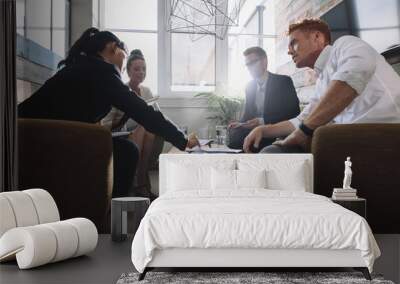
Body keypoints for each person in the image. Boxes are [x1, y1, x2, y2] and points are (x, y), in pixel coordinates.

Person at [18, 27, 199, 198]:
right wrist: (182, 140)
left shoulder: (83, 66)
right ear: (112, 49)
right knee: (127, 151)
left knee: (122, 147)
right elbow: (144, 112)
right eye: (123, 55)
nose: (122, 64)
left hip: (31, 137)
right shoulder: (101, 71)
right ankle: (112, 215)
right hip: (40, 140)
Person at [243, 18, 400, 153]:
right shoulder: (323, 80)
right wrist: (263, 130)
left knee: (281, 151)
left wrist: (304, 131)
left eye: (294, 43)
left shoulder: (345, 44)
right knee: (273, 152)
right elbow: (302, 119)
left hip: (386, 135)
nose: (289, 51)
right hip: (352, 139)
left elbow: (354, 75)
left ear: (317, 37)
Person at [101, 49, 160, 198]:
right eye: (137, 69)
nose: (141, 72)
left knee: (148, 128)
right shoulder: (121, 90)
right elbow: (107, 123)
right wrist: (127, 116)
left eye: (144, 69)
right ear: (128, 71)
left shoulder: (146, 91)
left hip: (143, 132)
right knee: (143, 127)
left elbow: (157, 115)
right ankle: (140, 183)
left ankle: (140, 181)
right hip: (121, 131)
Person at [227, 46, 300, 151]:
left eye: (252, 62)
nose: (249, 67)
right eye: (247, 64)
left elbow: (293, 113)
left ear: (264, 62)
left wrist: (262, 121)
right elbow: (247, 115)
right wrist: (240, 124)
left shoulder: (283, 82)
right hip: (254, 131)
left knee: (250, 141)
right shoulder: (249, 86)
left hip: (274, 130)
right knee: (234, 135)